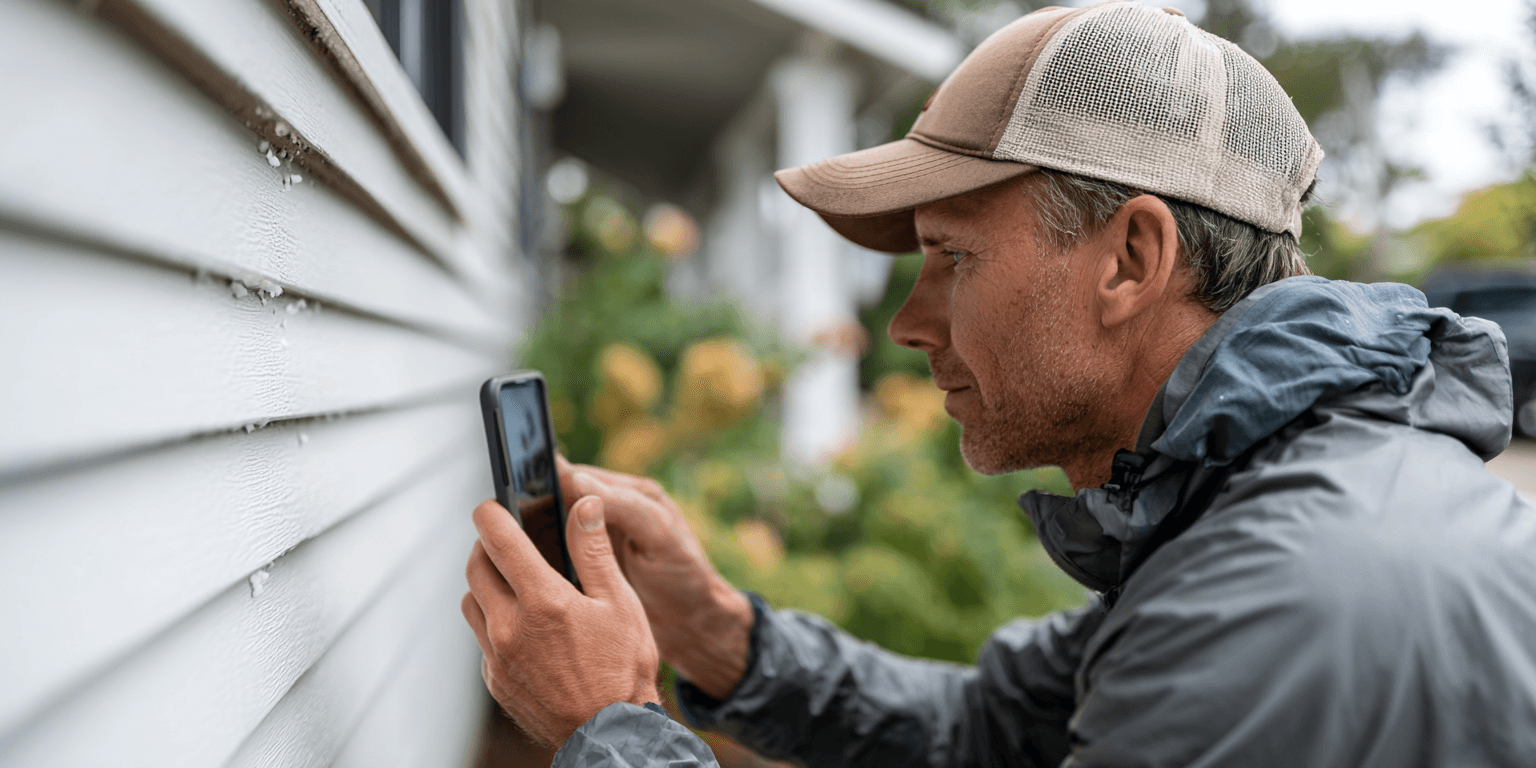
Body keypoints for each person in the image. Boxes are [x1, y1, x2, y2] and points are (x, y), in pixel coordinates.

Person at [460, 2, 1536, 766]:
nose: (908, 323)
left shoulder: (1276, 606)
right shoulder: (1240, 499)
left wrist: (615, 725)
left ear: (1131, 260)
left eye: (952, 258)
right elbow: (991, 729)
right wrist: (716, 630)